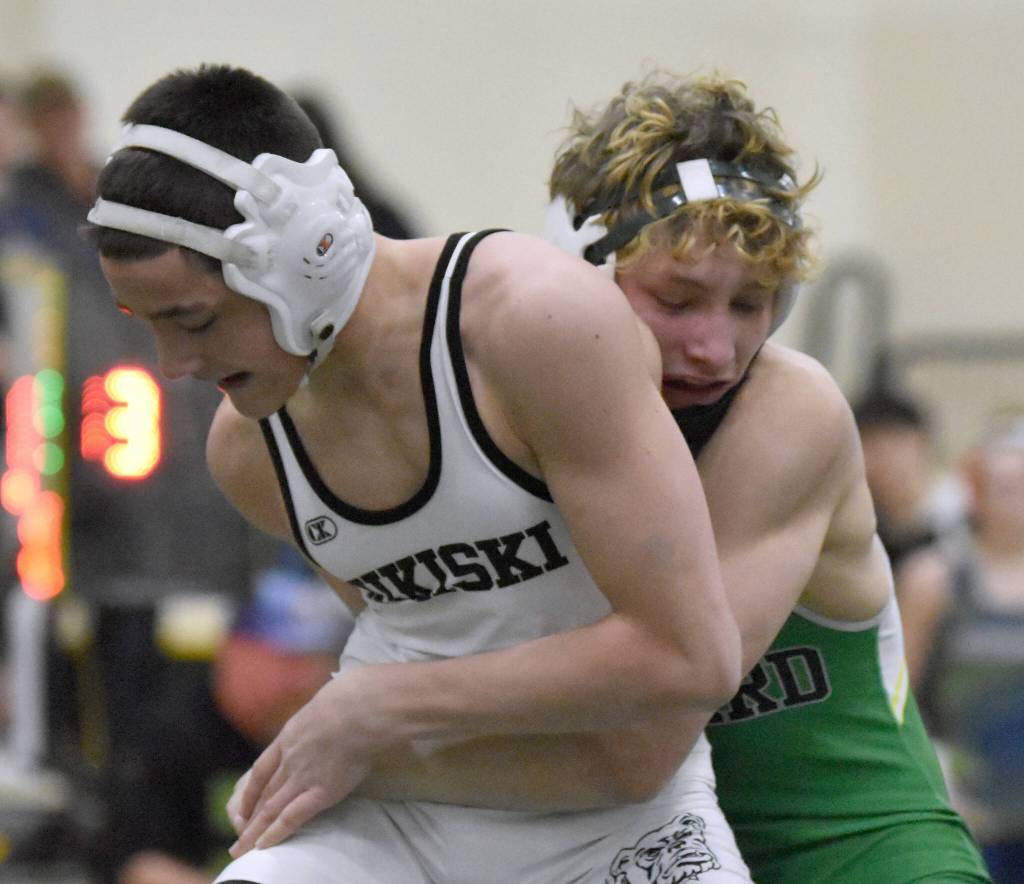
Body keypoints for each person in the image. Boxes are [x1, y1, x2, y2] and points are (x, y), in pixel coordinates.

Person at [319, 72, 991, 883]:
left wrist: (361, 737)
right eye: (678, 300)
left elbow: (633, 748)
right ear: (578, 282)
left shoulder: (787, 412)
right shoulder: (517, 424)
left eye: (751, 304)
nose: (716, 348)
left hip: (859, 859)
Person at [87, 63, 747, 883]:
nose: (174, 364)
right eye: (150, 327)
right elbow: (423, 628)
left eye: (191, 319)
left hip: (620, 824)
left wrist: (382, 704)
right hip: (398, 823)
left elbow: (692, 657)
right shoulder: (247, 448)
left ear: (306, 253)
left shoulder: (532, 321)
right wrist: (371, 719)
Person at [897, 414, 1024, 883]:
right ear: (976, 490)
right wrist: (932, 783)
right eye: (1006, 487)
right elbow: (896, 696)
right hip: (966, 805)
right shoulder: (935, 579)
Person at [853, 385, 966, 574]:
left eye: (893, 445)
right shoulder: (858, 518)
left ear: (923, 443)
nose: (883, 461)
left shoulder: (966, 510)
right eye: (870, 447)